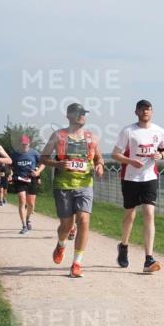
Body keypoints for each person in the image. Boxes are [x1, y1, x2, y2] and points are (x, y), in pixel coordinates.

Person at [39, 104, 105, 277]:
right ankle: (61, 245)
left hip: (85, 185)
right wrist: (58, 164)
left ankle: (77, 263)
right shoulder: (58, 136)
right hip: (63, 186)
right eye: (79, 113)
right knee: (66, 226)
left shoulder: (92, 137)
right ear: (68, 115)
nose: (82, 116)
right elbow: (43, 158)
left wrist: (99, 166)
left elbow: (99, 158)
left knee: (83, 221)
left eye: (84, 113)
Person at [111, 99, 164, 273]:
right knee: (130, 215)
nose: (145, 112)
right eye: (142, 109)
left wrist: (161, 156)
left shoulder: (159, 131)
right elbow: (115, 154)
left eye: (148, 109)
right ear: (136, 112)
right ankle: (123, 246)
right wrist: (130, 161)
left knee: (149, 213)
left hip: (150, 177)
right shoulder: (128, 131)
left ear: (152, 112)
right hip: (130, 178)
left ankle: (148, 259)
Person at [10, 134, 45, 234]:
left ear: (29, 143)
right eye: (23, 144)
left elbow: (43, 163)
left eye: (26, 144)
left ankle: (28, 218)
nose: (24, 146)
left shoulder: (34, 153)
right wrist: (10, 174)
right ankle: (24, 225)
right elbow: (9, 164)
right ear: (20, 144)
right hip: (19, 179)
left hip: (32, 179)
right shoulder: (15, 154)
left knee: (31, 204)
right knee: (22, 200)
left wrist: (38, 172)